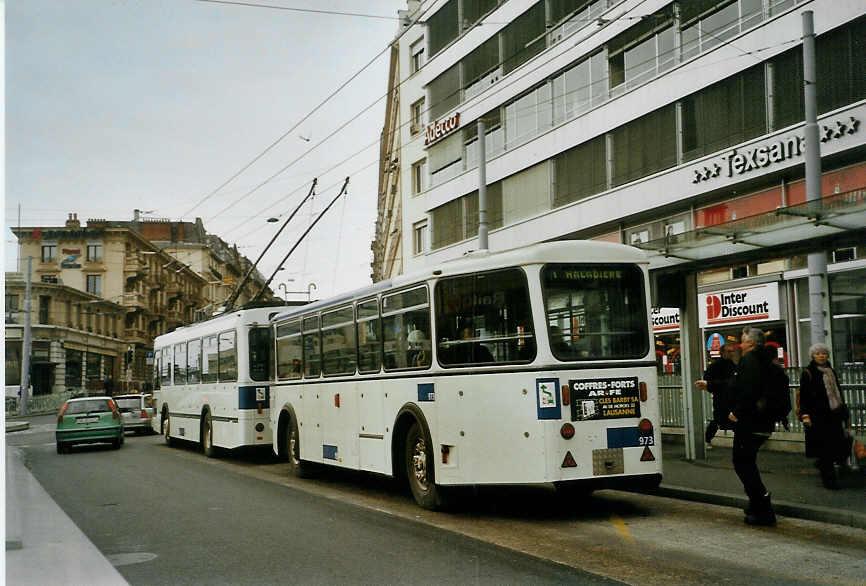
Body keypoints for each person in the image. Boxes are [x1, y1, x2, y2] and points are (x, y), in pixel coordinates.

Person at [728, 326, 777, 526]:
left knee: (742, 462)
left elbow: (749, 389)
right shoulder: (766, 360)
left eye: (743, 339)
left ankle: (762, 507)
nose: (740, 343)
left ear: (751, 343)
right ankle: (757, 504)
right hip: (763, 420)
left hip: (750, 421)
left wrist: (736, 412)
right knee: (746, 462)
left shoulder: (749, 360)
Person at [799, 343, 849, 490]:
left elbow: (837, 393)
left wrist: (845, 414)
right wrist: (805, 415)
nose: (821, 356)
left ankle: (822, 465)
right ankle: (830, 481)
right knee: (826, 450)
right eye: (818, 353)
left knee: (836, 448)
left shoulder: (830, 371)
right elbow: (804, 396)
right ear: (813, 356)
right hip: (818, 417)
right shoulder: (808, 372)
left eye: (824, 353)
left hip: (834, 414)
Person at [695, 343, 739, 444]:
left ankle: (739, 441)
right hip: (721, 398)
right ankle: (707, 439)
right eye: (729, 351)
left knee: (733, 418)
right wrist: (714, 387)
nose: (732, 353)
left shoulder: (733, 365)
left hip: (731, 397)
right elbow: (708, 381)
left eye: (732, 351)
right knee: (719, 420)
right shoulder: (715, 366)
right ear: (722, 352)